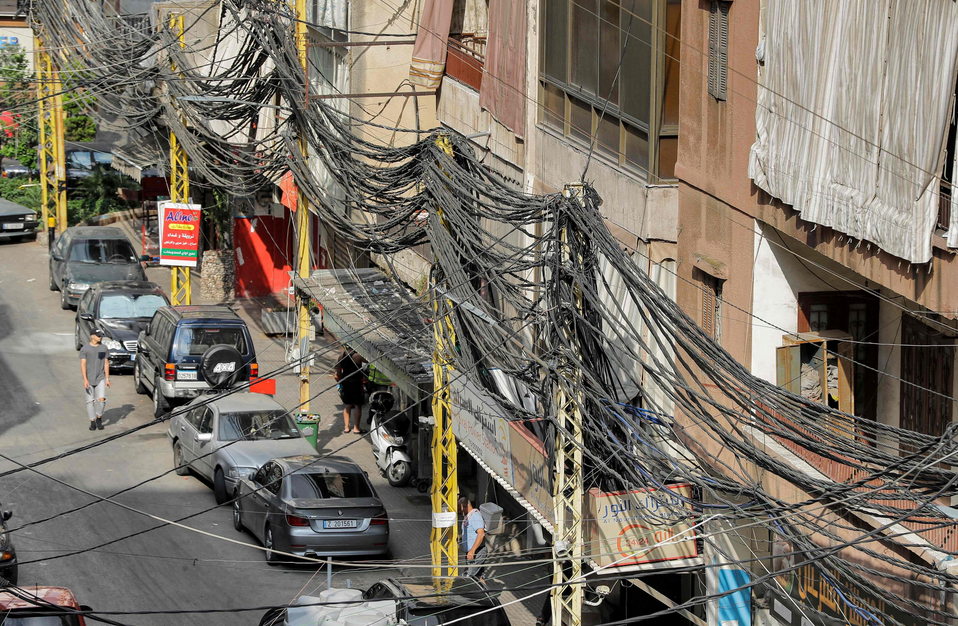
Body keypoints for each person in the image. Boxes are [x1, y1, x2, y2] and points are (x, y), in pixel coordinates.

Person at [79, 329, 110, 431]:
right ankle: (92, 421)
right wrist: (85, 379)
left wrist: (107, 378)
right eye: (98, 335)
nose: (100, 337)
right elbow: (83, 365)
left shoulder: (103, 348)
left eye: (100, 335)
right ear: (92, 336)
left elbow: (106, 363)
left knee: (101, 399)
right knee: (90, 401)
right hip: (89, 378)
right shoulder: (85, 349)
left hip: (100, 377)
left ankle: (99, 418)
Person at [335, 349, 366, 434]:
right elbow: (369, 361)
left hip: (346, 382)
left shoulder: (341, 356)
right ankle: (356, 428)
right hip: (356, 383)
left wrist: (342, 381)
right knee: (357, 405)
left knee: (347, 405)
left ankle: (346, 427)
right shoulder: (357, 356)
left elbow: (338, 372)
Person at [459, 495, 486, 579]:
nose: (459, 511)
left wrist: (472, 551)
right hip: (472, 552)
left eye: (460, 509)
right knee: (478, 577)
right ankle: (486, 592)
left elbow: (481, 534)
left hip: (476, 552)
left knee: (469, 577)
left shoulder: (475, 516)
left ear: (464, 506)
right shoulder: (468, 517)